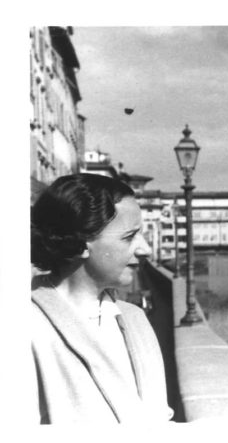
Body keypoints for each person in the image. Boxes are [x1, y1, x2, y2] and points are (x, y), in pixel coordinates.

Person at [30, 173, 173, 424]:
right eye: (129, 237)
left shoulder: (136, 319)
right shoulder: (26, 327)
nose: (145, 249)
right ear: (82, 243)